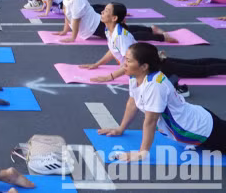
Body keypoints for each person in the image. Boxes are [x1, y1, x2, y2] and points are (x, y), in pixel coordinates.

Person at [97, 43, 226, 160]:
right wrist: (120, 129)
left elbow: (150, 121)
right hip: (196, 121)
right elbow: (132, 103)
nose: (123, 64)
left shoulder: (155, 87)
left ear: (144, 66)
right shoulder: (135, 76)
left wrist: (142, 153)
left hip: (200, 129)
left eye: (129, 61)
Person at [80, 3, 226, 93]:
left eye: (106, 11)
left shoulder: (120, 36)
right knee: (196, 64)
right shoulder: (109, 30)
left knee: (200, 69)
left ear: (114, 18)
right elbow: (113, 50)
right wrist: (97, 64)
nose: (102, 12)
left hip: (155, 67)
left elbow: (127, 63)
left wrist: (109, 76)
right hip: (152, 60)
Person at [53, 0, 176, 43]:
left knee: (127, 36)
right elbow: (67, 16)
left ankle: (161, 37)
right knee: (124, 31)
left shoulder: (77, 0)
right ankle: (150, 29)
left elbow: (75, 20)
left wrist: (72, 37)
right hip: (96, 23)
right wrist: (65, 31)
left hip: (96, 26)